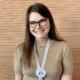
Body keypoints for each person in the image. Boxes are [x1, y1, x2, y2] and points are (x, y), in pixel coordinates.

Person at [14, 3, 73, 80]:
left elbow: (67, 77)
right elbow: (18, 78)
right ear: (28, 26)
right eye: (32, 23)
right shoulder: (20, 50)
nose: (38, 26)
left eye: (42, 21)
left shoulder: (63, 47)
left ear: (50, 22)